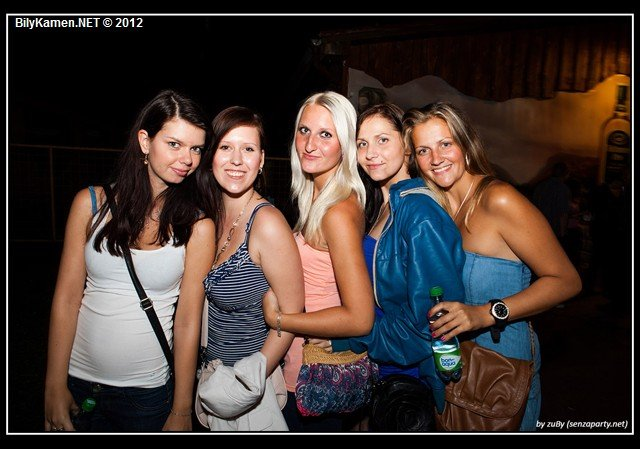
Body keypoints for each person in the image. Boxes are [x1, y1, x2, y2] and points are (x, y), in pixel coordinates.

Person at [44, 90, 216, 432]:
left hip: (147, 394)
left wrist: (182, 407)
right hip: (78, 381)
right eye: (174, 144)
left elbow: (187, 321)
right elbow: (66, 299)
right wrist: (53, 384)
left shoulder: (197, 226)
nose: (187, 158)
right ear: (145, 141)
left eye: (196, 149)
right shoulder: (90, 204)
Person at [406, 101, 582, 431]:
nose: (436, 159)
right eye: (423, 150)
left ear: (465, 143)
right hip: (458, 366)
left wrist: (486, 314)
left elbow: (566, 280)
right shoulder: (439, 209)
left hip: (504, 367)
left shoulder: (498, 199)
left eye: (445, 144)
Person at [329, 103, 466, 425]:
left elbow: (429, 325)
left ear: (406, 145)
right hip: (382, 365)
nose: (370, 153)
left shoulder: (419, 213)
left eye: (382, 140)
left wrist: (350, 338)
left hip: (408, 377)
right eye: (362, 143)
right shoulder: (386, 205)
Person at [262, 91, 375, 431]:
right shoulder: (317, 198)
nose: (310, 144)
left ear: (345, 144)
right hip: (297, 369)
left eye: (326, 134)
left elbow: (360, 318)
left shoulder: (337, 212)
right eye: (304, 130)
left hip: (314, 377)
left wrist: (280, 319)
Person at [194, 106, 304, 431]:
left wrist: (245, 383)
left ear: (262, 159)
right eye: (226, 147)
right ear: (211, 156)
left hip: (250, 396)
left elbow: (291, 315)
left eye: (248, 149)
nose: (236, 160)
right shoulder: (210, 215)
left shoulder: (267, 223)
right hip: (210, 378)